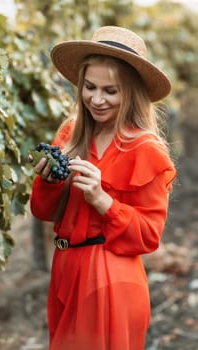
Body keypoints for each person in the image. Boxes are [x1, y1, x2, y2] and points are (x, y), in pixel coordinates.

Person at [30, 26, 177, 350]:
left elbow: (149, 235)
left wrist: (102, 199)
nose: (96, 99)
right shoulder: (71, 134)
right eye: (90, 87)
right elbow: (42, 212)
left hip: (108, 276)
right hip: (65, 268)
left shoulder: (145, 150)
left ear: (131, 93)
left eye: (110, 91)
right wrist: (50, 184)